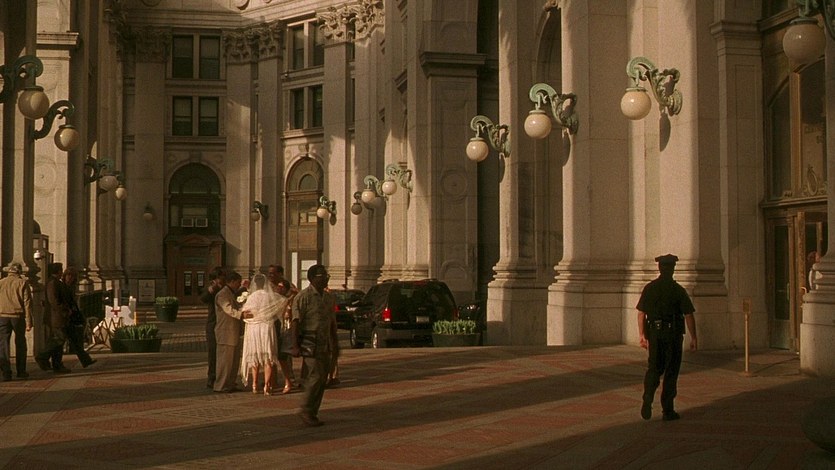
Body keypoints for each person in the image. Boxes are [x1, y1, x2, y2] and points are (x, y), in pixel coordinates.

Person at [637, 254, 698, 421]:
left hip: (655, 335)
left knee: (654, 368)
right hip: (673, 335)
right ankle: (668, 410)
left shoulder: (650, 288)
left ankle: (648, 396)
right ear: (673, 270)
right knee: (671, 370)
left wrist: (642, 335)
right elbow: (688, 315)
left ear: (659, 268)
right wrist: (694, 337)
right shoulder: (678, 290)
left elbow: (641, 313)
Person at [291, 264, 338, 427]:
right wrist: (295, 345)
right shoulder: (303, 297)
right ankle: (305, 409)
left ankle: (312, 412)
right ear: (312, 279)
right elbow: (295, 322)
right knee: (315, 377)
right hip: (310, 342)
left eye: (326, 276)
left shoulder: (329, 298)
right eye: (322, 276)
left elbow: (332, 322)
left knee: (323, 379)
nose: (326, 279)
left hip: (325, 344)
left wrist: (335, 343)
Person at [240, 273, 287, 395]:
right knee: (268, 357)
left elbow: (245, 312)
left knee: (255, 356)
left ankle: (254, 384)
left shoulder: (251, 297)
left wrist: (255, 315)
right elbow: (283, 301)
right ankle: (267, 385)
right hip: (266, 327)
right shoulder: (270, 296)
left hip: (253, 328)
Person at [36, 263, 73, 374]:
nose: (62, 272)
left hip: (57, 317)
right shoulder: (52, 283)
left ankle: (57, 364)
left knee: (58, 341)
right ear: (58, 271)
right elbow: (53, 301)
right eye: (61, 270)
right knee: (58, 339)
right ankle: (43, 356)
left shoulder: (56, 282)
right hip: (55, 317)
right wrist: (64, 309)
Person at [0, 263, 33, 381]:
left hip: (2, 316)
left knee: (3, 344)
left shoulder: (1, 282)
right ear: (19, 271)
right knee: (20, 343)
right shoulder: (22, 283)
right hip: (17, 316)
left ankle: (6, 372)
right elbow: (27, 303)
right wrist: (29, 322)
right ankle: (21, 371)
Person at [214, 271, 244, 393]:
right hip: (225, 332)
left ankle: (230, 383)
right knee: (225, 361)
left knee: (234, 361)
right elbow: (228, 309)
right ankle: (220, 385)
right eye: (238, 282)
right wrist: (241, 315)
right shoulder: (222, 294)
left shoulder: (231, 293)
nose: (239, 285)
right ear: (231, 281)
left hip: (233, 332)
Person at [61, 267, 96, 368]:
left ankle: (86, 360)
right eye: (69, 275)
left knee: (75, 340)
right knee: (60, 341)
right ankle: (44, 356)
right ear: (65, 276)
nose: (70, 278)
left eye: (72, 276)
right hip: (66, 316)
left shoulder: (71, 287)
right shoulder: (63, 287)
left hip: (72, 316)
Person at [201, 267, 225, 389]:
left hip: (224, 325)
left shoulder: (226, 289)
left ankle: (223, 377)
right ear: (214, 279)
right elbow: (203, 298)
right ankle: (212, 377)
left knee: (224, 353)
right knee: (213, 352)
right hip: (213, 325)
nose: (222, 280)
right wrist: (211, 290)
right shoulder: (211, 289)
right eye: (220, 278)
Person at [276, 279, 298, 393]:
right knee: (282, 357)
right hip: (280, 330)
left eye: (282, 287)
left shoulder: (291, 299)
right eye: (278, 287)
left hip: (289, 330)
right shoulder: (277, 299)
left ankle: (290, 379)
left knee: (286, 356)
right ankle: (288, 380)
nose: (279, 289)